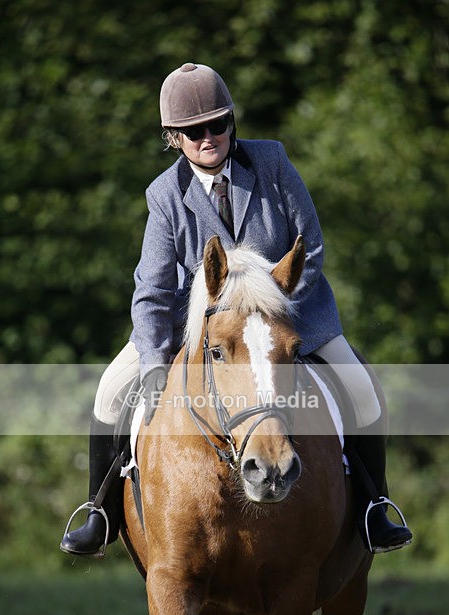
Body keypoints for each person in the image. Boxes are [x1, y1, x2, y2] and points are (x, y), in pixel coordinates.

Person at [60, 62, 413, 558]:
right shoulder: (164, 196)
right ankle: (99, 511)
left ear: (231, 124)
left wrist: (271, 309)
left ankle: (375, 507)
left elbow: (308, 245)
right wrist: (157, 358)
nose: (207, 138)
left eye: (217, 125)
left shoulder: (271, 162)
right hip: (204, 332)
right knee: (109, 391)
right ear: (173, 138)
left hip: (289, 318)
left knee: (361, 388)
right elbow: (152, 290)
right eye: (192, 131)